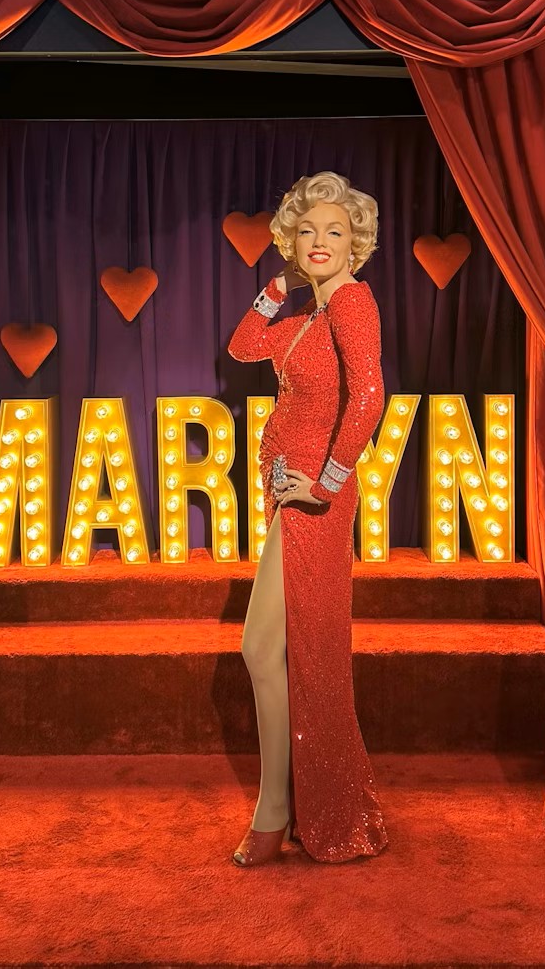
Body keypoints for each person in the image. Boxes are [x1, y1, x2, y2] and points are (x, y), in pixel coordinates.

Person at [226, 170, 389, 866]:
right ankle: (295, 802)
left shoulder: (351, 301)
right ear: (291, 242)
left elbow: (370, 398)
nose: (321, 240)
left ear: (356, 244)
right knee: (277, 652)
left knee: (270, 650)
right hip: (289, 499)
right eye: (307, 230)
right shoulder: (309, 320)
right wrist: (278, 284)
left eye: (335, 230)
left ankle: (283, 809)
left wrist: (327, 483)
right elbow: (242, 346)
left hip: (314, 502)